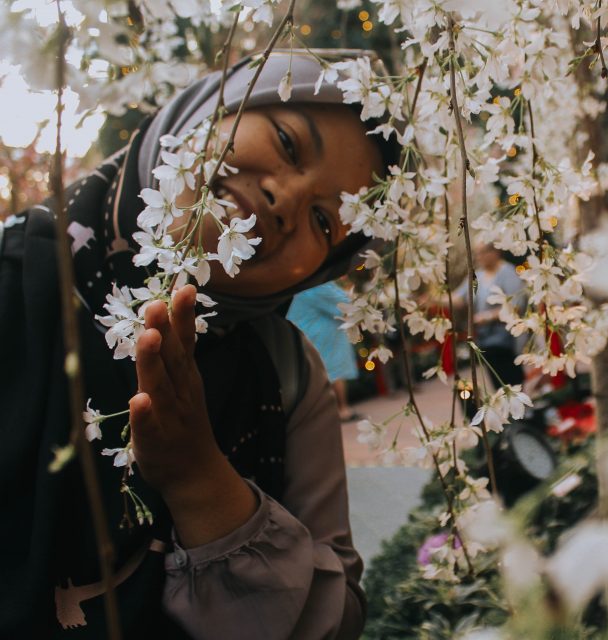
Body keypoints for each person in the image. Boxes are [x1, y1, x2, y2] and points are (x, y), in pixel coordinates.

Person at [0, 51, 397, 638]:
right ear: (217, 105)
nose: (283, 201)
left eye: (322, 222)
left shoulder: (288, 378)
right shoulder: (16, 271)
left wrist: (200, 483)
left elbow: (336, 621)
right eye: (288, 143)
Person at [453, 243, 527, 389]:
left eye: (482, 252)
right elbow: (458, 298)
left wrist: (486, 316)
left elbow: (515, 306)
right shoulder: (477, 275)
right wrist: (432, 299)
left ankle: (517, 408)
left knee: (511, 380)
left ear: (495, 252)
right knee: (497, 381)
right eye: (477, 253)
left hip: (507, 337)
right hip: (485, 339)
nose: (479, 257)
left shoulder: (508, 272)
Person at [287, 280, 362, 422]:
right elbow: (344, 306)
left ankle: (335, 410)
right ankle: (342, 409)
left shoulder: (303, 284)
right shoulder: (317, 285)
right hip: (320, 335)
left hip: (307, 332)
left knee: (324, 371)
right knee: (332, 371)